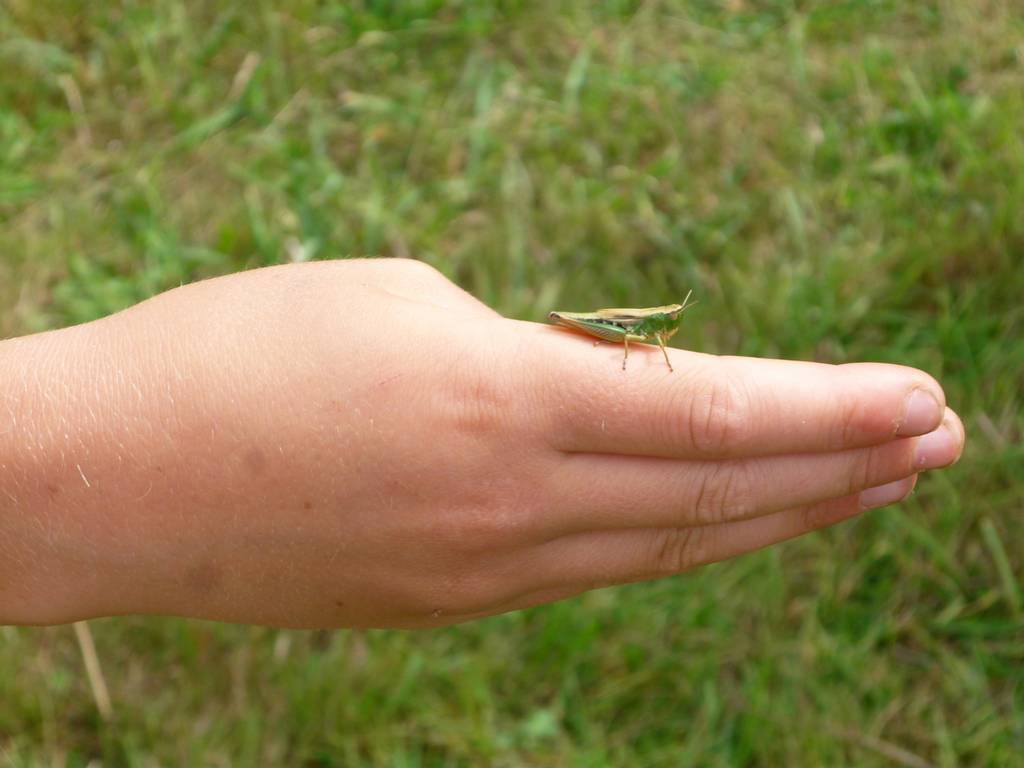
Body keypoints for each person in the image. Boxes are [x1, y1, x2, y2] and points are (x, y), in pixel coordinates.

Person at [0, 259, 964, 628]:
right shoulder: (634, 331)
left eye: (668, 323)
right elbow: (626, 338)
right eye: (666, 322)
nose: (666, 327)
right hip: (588, 321)